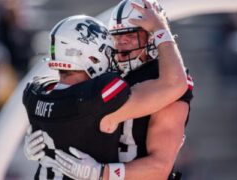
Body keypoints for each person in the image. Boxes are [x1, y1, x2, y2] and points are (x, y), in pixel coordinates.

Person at [23, 4, 187, 180]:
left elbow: (159, 167)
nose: (119, 44)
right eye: (116, 37)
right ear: (91, 56)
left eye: (130, 35)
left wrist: (47, 139)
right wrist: (102, 173)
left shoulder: (34, 91)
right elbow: (175, 83)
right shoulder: (101, 92)